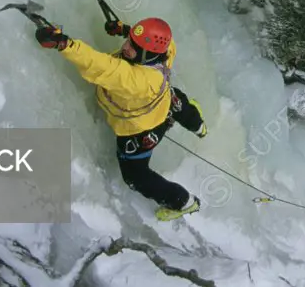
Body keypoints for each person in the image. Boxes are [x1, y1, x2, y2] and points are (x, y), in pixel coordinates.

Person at [35, 16, 207, 221]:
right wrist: (124, 29)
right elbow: (164, 41)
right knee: (177, 102)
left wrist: (64, 44)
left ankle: (183, 202)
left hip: (139, 131)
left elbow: (100, 65)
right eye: (129, 41)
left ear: (146, 53)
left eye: (132, 46)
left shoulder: (134, 80)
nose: (125, 47)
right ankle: (198, 126)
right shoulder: (165, 50)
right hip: (164, 100)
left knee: (136, 178)